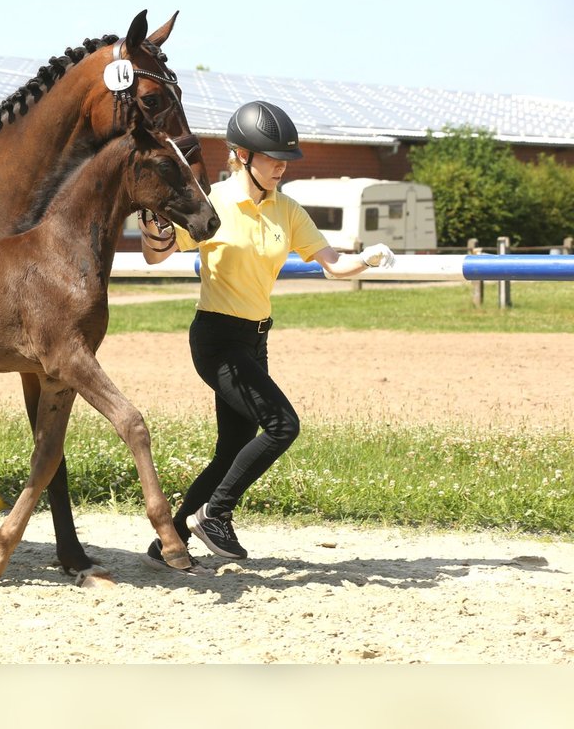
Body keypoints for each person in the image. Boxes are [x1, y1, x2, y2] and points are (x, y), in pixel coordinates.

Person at [140, 100, 395, 568]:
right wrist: (151, 225)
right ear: (241, 155)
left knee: (233, 450)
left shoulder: (287, 210)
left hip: (255, 340)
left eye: (285, 159)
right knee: (282, 425)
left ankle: (170, 541)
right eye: (271, 157)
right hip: (216, 337)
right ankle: (215, 513)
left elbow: (335, 266)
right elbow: (157, 256)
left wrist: (371, 258)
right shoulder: (212, 202)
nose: (281, 166)